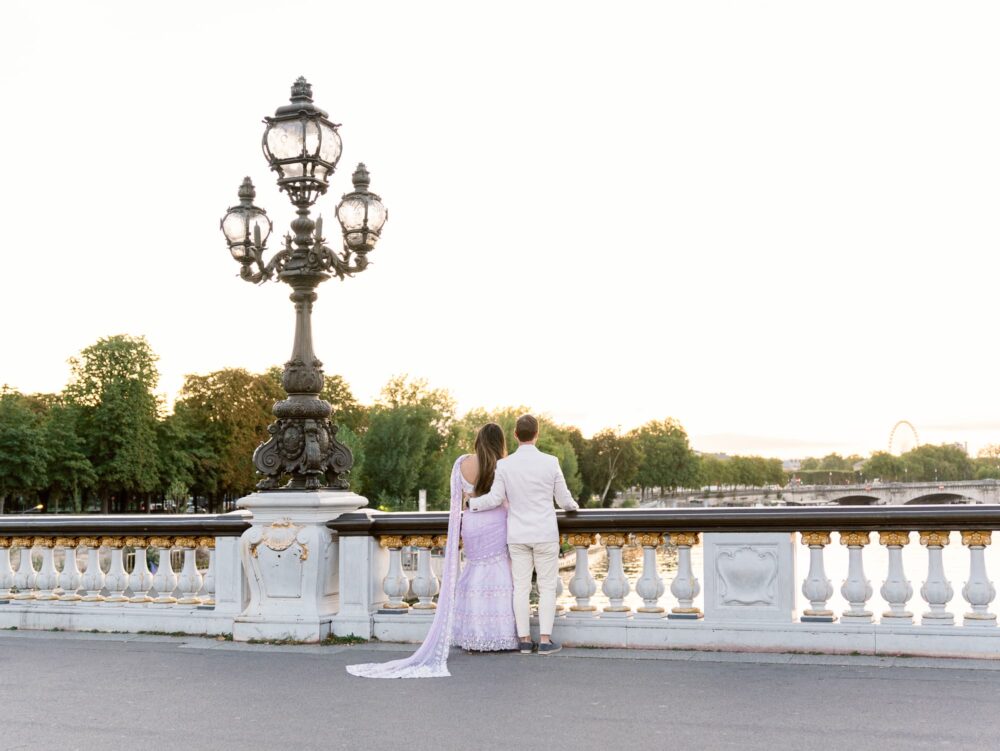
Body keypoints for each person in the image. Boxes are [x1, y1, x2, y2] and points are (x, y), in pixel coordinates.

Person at [346, 423, 518, 679]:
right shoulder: (503, 465)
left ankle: (473, 634)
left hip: (471, 523)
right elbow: (509, 500)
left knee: (474, 568)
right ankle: (499, 634)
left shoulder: (462, 463)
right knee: (499, 569)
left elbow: (456, 501)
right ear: (500, 442)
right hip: (497, 522)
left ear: (478, 440)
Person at [467, 414, 579, 655]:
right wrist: (574, 507)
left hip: (517, 535)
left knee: (521, 588)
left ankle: (525, 640)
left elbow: (494, 499)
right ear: (537, 434)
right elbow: (564, 500)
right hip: (545, 533)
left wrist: (471, 504)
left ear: (516, 435)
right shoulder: (550, 462)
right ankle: (546, 641)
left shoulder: (505, 465)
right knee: (547, 587)